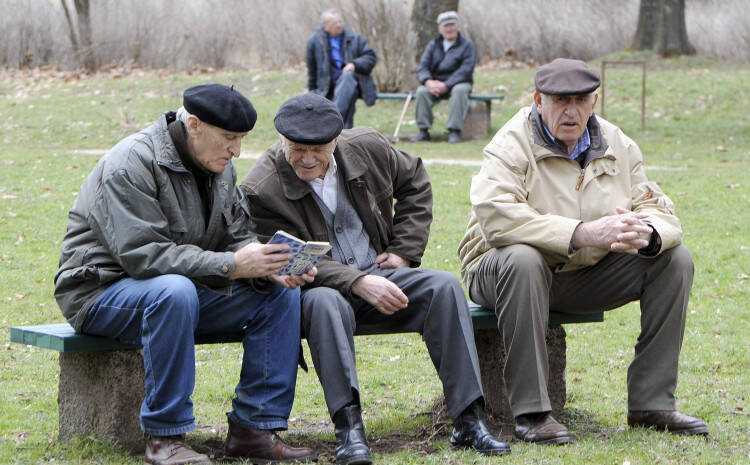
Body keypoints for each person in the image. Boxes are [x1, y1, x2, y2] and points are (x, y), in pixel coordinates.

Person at [54, 84, 318, 465]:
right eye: (229, 138)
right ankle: (165, 438)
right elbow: (143, 257)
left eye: (241, 140)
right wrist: (232, 266)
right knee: (174, 292)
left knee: (277, 294)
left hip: (180, 290)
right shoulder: (131, 163)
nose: (236, 150)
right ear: (194, 124)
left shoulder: (219, 166)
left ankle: (254, 430)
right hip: (99, 292)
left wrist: (266, 264)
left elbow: (237, 235)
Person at [241, 93, 510, 465]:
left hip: (383, 273)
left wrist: (402, 251)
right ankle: (349, 429)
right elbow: (288, 259)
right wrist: (357, 281)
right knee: (324, 304)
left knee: (443, 287)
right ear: (282, 141)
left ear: (335, 141)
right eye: (295, 148)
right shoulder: (262, 187)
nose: (305, 158)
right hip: (321, 288)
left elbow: (415, 180)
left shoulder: (367, 147)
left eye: (316, 149)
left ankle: (469, 418)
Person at [458, 58, 709, 445]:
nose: (570, 111)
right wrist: (582, 232)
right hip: (499, 270)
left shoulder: (616, 142)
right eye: (560, 100)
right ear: (538, 100)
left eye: (580, 100)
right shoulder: (511, 142)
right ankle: (533, 413)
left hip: (578, 273)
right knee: (524, 258)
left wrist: (648, 233)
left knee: (674, 260)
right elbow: (497, 218)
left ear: (594, 101)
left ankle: (651, 403)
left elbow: (655, 203)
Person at [306, 8, 378, 129]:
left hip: (353, 81)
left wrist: (354, 64)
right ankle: (340, 130)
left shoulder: (355, 38)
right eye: (335, 23)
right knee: (348, 98)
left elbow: (371, 57)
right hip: (327, 86)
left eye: (340, 21)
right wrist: (312, 91)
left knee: (348, 77)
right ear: (326, 26)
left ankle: (332, 122)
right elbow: (312, 69)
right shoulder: (314, 41)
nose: (339, 25)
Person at [412, 10, 476, 144]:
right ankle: (423, 131)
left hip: (459, 82)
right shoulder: (433, 45)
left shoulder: (467, 45)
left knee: (459, 91)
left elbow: (466, 70)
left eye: (452, 25)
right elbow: (422, 67)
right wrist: (428, 82)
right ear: (440, 28)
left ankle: (454, 131)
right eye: (446, 25)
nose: (449, 28)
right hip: (435, 83)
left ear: (457, 26)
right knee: (421, 91)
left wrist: (446, 84)